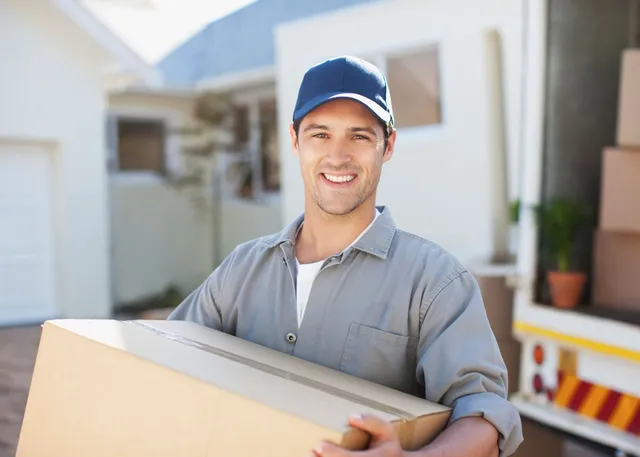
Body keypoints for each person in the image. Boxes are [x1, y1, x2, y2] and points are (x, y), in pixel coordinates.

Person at [168, 55, 523, 457]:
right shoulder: (242, 269)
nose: (338, 157)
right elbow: (167, 359)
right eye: (320, 134)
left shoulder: (435, 280)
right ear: (294, 140)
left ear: (387, 145)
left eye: (359, 136)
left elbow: (484, 414)